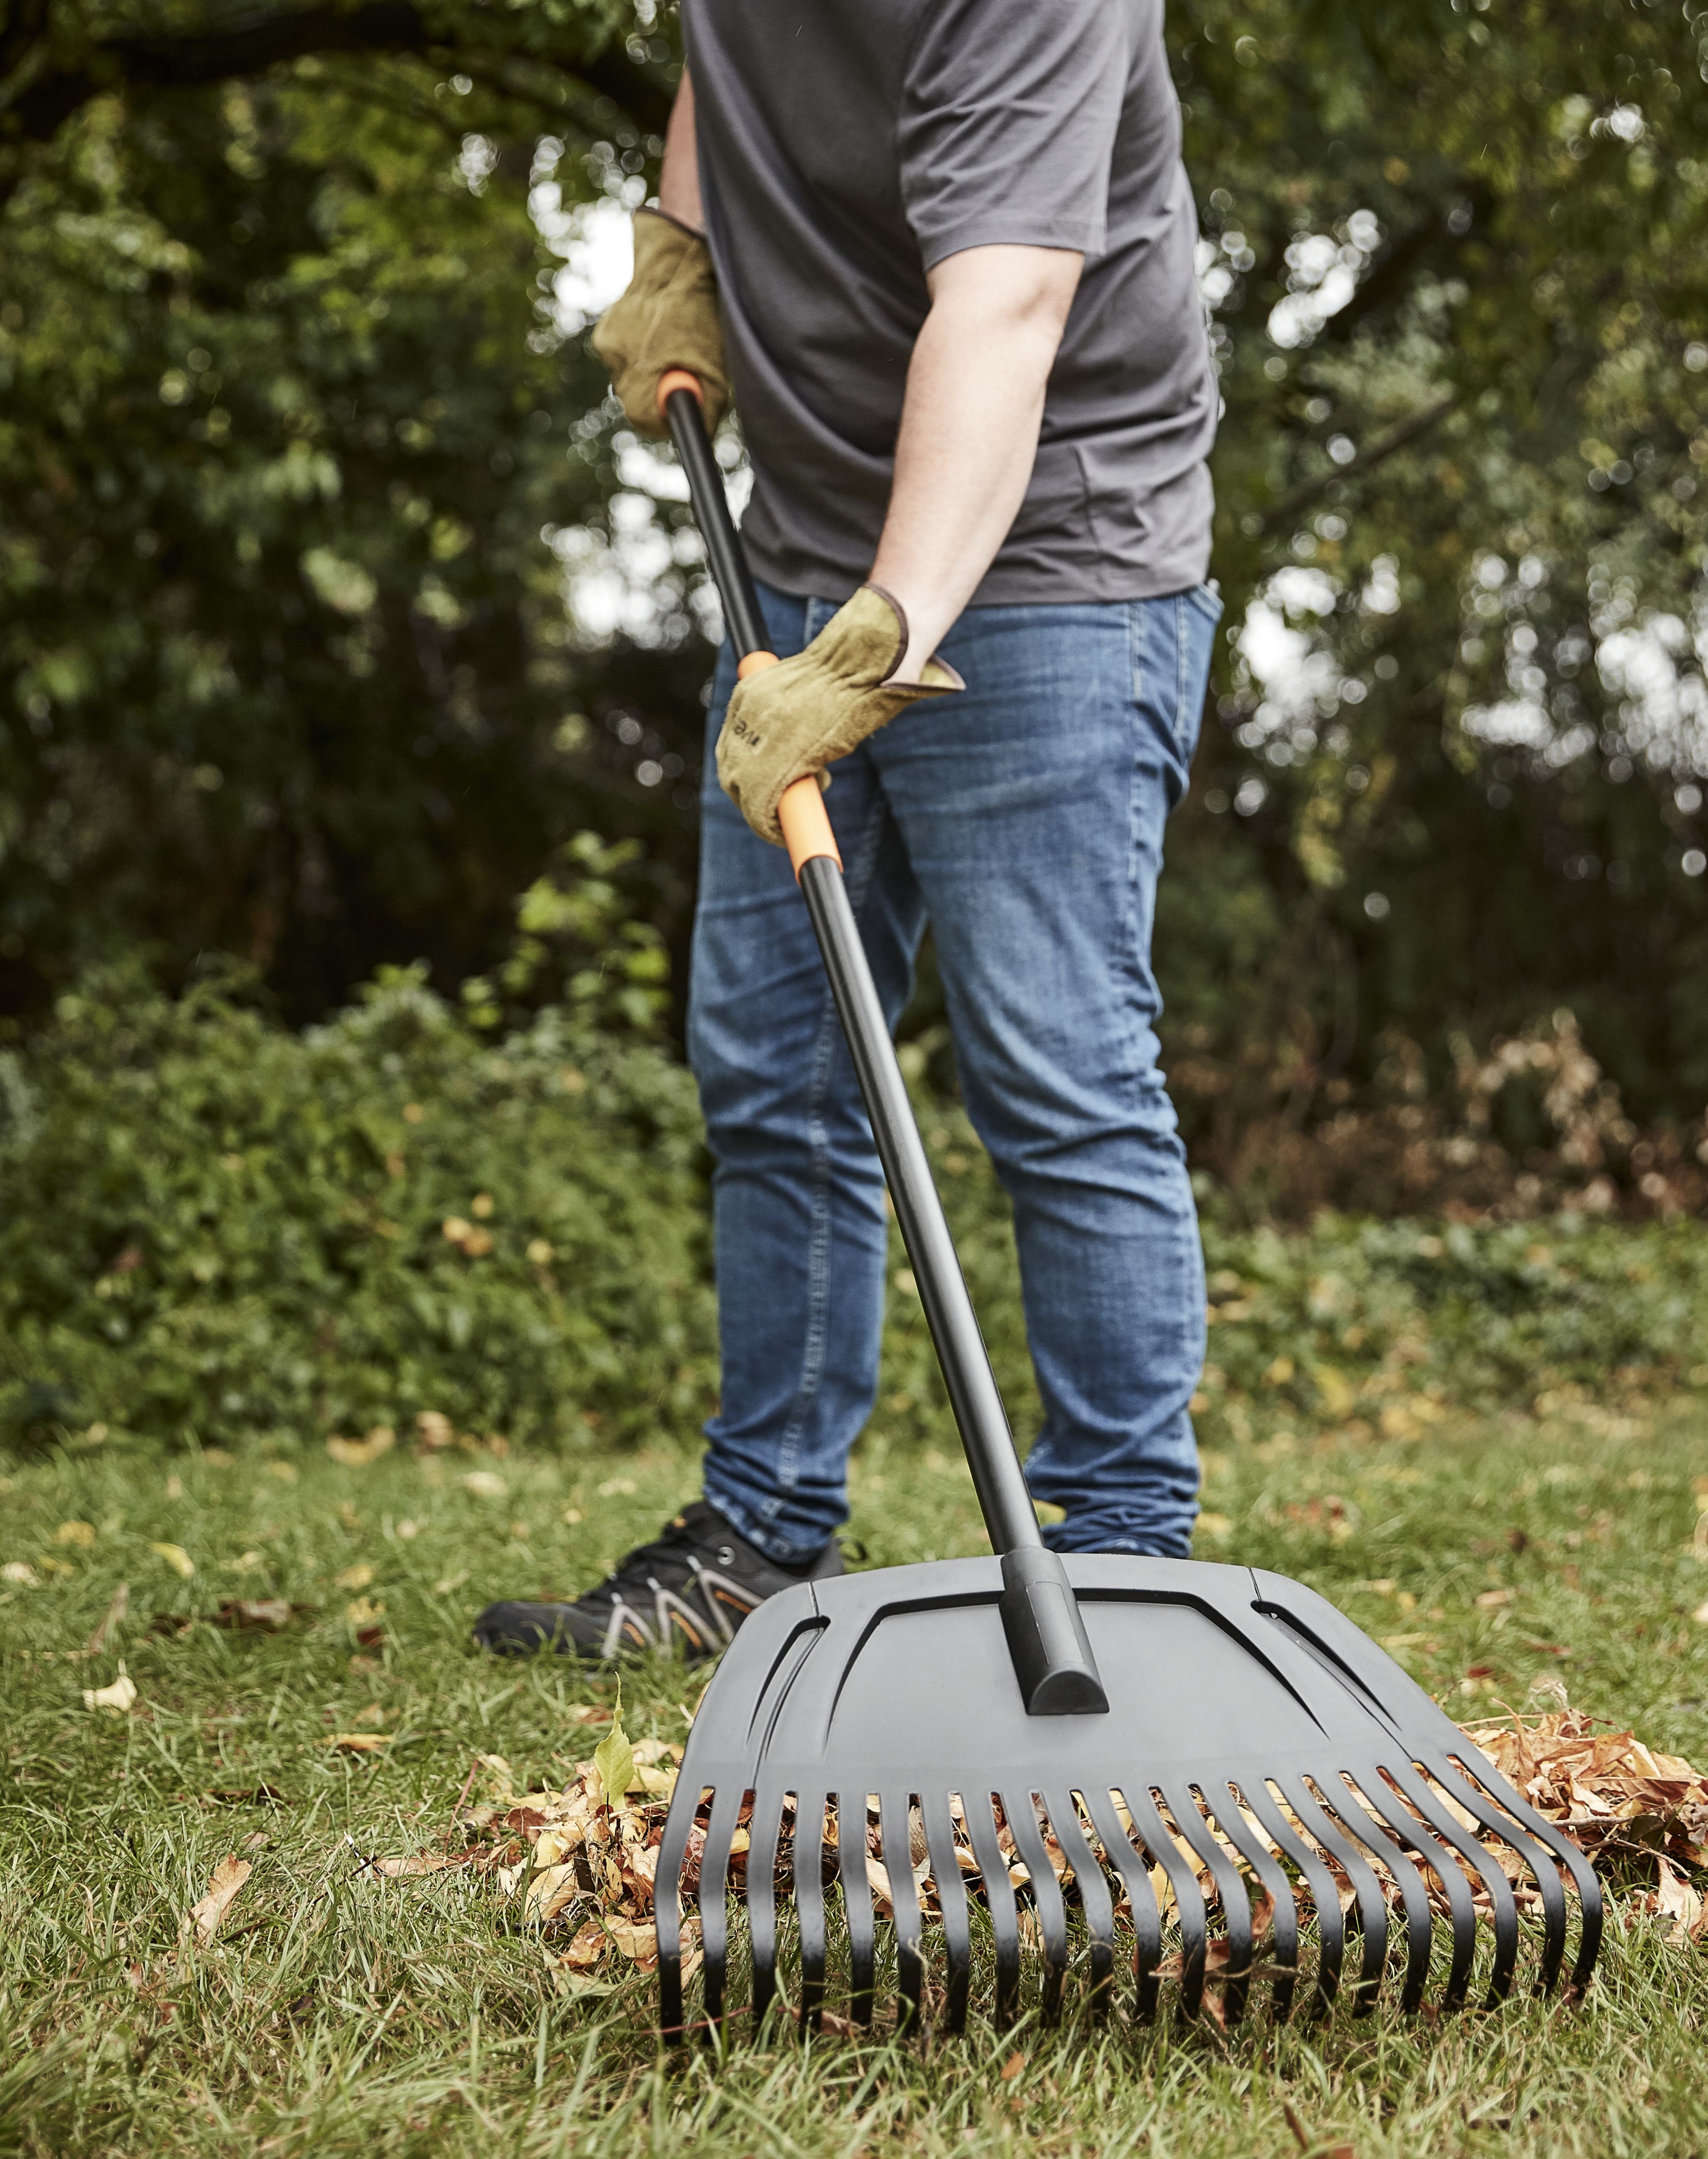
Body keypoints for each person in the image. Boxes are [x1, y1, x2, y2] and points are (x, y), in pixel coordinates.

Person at [476, 0, 1221, 1662]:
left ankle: (1118, 1559)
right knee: (775, 1070)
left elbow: (1011, 300)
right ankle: (761, 1532)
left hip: (1051, 569)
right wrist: (680, 234)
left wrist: (875, 644)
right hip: (809, 543)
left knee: (1058, 1067)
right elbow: (724, 64)